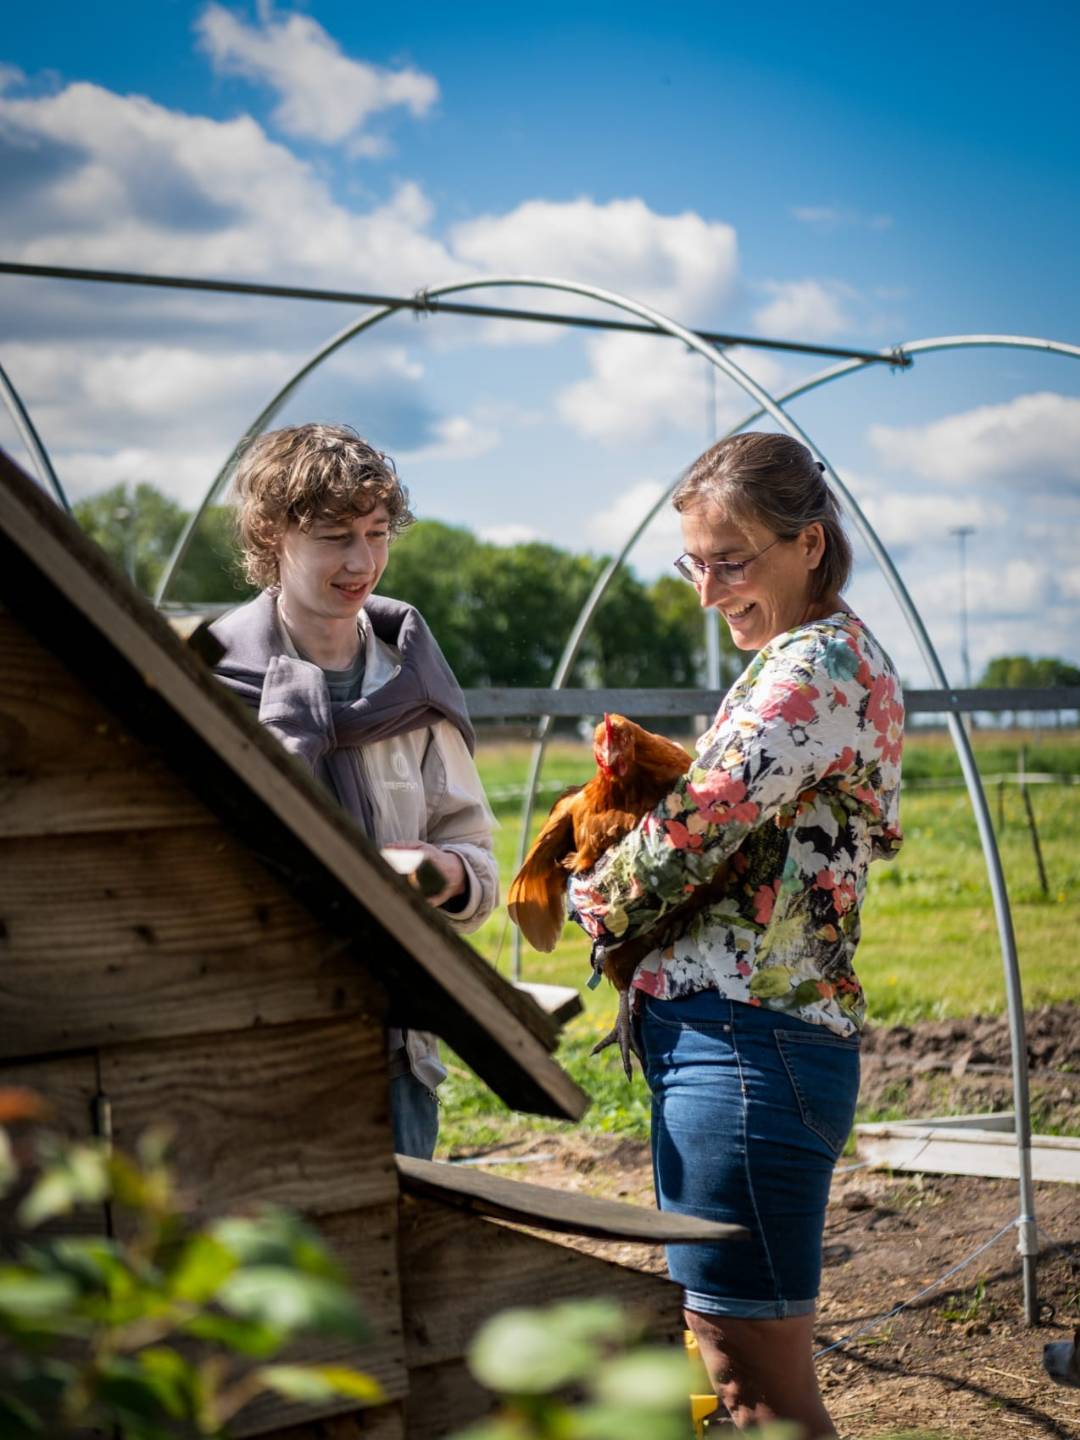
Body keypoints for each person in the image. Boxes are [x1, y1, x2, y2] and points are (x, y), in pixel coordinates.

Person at [568, 432, 903, 1437]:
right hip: (742, 1040)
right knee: (724, 1362)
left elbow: (688, 835)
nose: (709, 592)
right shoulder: (816, 657)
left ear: (809, 544)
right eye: (694, 563)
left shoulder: (813, 670)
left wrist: (593, 898)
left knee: (755, 1384)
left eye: (732, 560)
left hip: (749, 1048)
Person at [210, 423, 498, 1160]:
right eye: (336, 536)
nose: (362, 561)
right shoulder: (204, 681)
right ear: (274, 534)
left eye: (376, 533)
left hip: (395, 1046)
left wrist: (442, 875)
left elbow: (476, 857)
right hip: (249, 1043)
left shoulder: (412, 684)